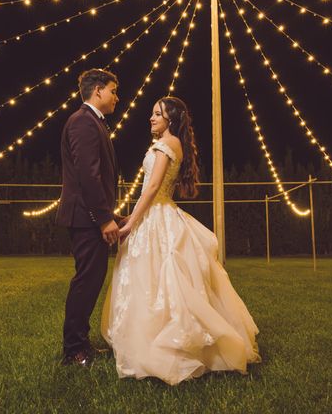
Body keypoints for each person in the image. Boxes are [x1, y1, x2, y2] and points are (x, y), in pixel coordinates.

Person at [101, 96, 261, 385]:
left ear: (170, 120)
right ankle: (145, 338)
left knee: (163, 280)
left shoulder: (168, 144)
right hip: (156, 212)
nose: (151, 118)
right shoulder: (168, 143)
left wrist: (130, 222)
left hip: (158, 216)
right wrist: (132, 216)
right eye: (152, 113)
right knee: (147, 281)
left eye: (157, 114)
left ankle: (167, 345)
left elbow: (151, 188)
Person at [56, 68, 126, 367]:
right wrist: (103, 219)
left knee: (92, 279)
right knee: (86, 280)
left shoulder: (92, 123)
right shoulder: (83, 122)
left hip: (91, 214)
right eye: (113, 90)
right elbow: (88, 174)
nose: (116, 96)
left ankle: (80, 342)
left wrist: (112, 214)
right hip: (85, 217)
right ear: (97, 90)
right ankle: (74, 350)